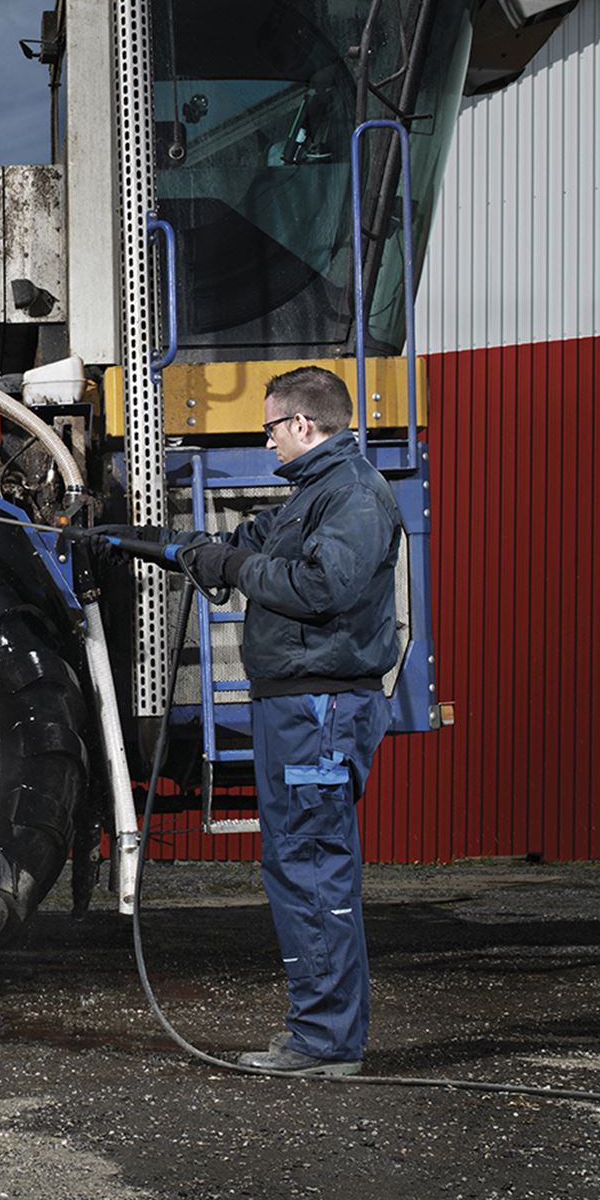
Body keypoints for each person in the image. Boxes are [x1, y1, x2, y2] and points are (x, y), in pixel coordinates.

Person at [176, 365, 403, 1077]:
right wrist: (179, 546)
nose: (267, 439)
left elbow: (320, 586)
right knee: (297, 862)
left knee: (311, 865)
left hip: (319, 708)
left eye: (271, 425)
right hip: (298, 705)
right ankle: (321, 1034)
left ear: (303, 424)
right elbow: (265, 541)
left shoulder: (353, 494)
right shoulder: (316, 493)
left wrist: (234, 569)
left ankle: (326, 1041)